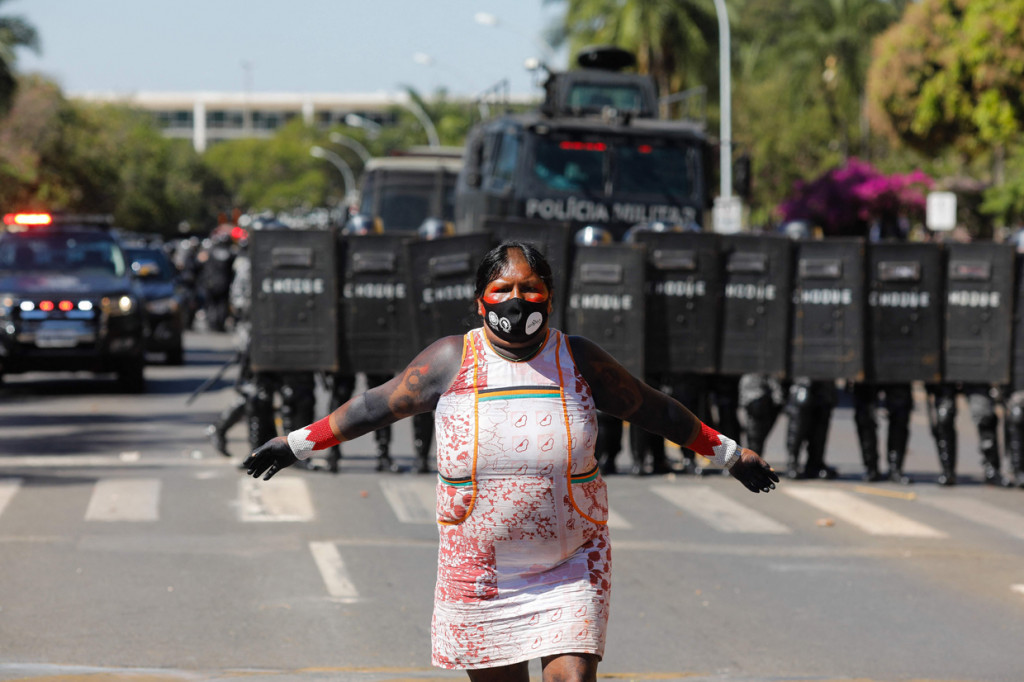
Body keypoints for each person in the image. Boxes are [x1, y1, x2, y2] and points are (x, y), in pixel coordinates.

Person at [243, 241, 778, 679]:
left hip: (571, 559)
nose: (516, 299)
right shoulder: (451, 358)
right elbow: (373, 406)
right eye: (503, 289)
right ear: (481, 301)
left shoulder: (579, 358)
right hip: (478, 570)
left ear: (550, 297)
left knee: (573, 677)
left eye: (531, 288)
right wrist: (295, 444)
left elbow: (653, 408)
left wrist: (729, 452)